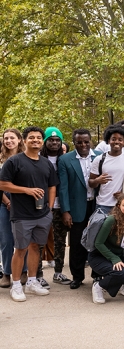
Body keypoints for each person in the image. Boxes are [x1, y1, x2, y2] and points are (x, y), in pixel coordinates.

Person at [0, 126, 59, 301]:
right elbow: (3, 185)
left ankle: (32, 282)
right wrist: (26, 190)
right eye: (31, 138)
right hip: (21, 215)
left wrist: (49, 207)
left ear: (42, 141)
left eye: (39, 138)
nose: (35, 140)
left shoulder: (46, 162)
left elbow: (52, 185)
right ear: (24, 141)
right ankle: (16, 285)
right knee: (20, 249)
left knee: (35, 247)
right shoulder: (14, 161)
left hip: (42, 215)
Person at [57, 128, 101, 289]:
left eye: (86, 142)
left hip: (97, 205)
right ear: (74, 142)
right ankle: (77, 276)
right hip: (76, 207)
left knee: (97, 241)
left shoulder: (99, 156)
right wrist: (65, 211)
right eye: (79, 142)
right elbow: (63, 188)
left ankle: (97, 275)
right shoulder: (65, 160)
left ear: (91, 141)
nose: (83, 145)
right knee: (76, 243)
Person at [89, 193, 124, 304]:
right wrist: (114, 259)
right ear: (118, 206)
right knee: (121, 273)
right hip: (100, 255)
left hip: (120, 254)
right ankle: (99, 286)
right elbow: (98, 243)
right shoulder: (112, 220)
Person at [39, 126, 65, 287]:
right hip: (41, 206)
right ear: (45, 142)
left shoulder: (65, 159)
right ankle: (37, 275)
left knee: (60, 241)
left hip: (60, 206)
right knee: (39, 240)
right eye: (51, 140)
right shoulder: (38, 159)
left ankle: (58, 272)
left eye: (57, 140)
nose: (54, 142)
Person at [0, 128, 26, 288]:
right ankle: (7, 273)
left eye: (12, 138)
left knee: (23, 237)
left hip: (23, 201)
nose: (9, 141)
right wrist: (7, 201)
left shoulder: (25, 158)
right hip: (3, 201)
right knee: (6, 238)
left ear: (19, 139)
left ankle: (24, 270)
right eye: (6, 138)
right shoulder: (0, 160)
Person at [89, 124, 124, 214]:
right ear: (108, 141)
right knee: (102, 228)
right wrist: (97, 180)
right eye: (113, 139)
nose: (116, 142)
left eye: (120, 139)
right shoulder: (100, 159)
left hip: (122, 204)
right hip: (102, 204)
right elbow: (91, 182)